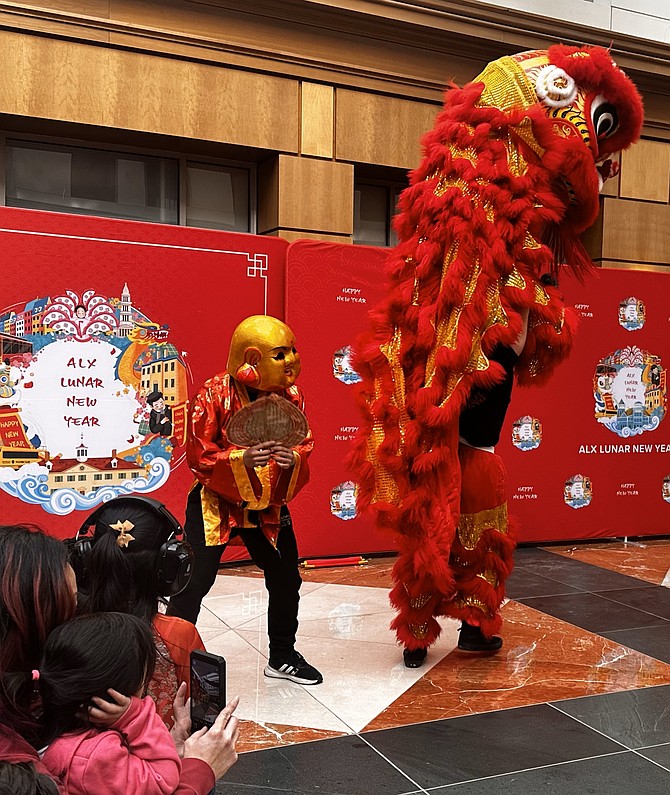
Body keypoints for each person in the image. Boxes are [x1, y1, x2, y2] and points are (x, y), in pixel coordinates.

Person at [349, 45, 643, 667]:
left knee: (466, 463)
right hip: (456, 351)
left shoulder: (524, 209)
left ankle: (461, 611)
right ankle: (441, 612)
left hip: (486, 353)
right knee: (444, 465)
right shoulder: (482, 181)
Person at [167, 315, 322, 685]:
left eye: (292, 351)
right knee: (194, 581)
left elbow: (304, 442)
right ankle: (171, 663)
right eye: (280, 354)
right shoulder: (213, 393)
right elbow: (200, 456)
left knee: (286, 578)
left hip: (266, 502)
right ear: (251, 359)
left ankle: (282, 655)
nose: (291, 361)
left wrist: (294, 458)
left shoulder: (292, 397)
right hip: (216, 501)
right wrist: (239, 459)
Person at [37, 612, 239, 795]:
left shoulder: (63, 735)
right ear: (120, 691)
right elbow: (163, 780)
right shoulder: (98, 756)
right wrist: (135, 717)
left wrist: (171, 743)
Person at [73, 496, 205, 726]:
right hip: (163, 757)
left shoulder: (64, 627)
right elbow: (202, 712)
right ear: (168, 566)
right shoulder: (179, 634)